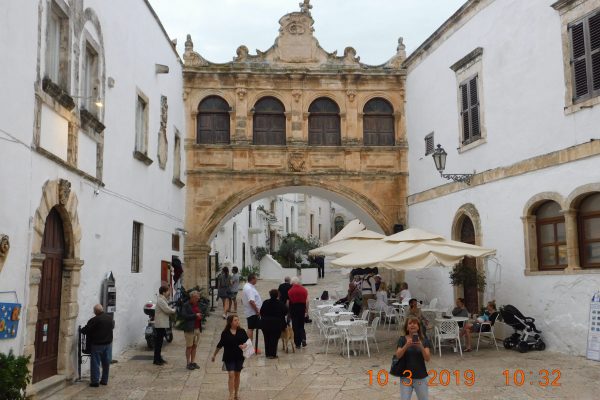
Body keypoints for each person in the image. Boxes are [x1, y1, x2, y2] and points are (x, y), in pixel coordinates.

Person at [211, 315, 249, 400]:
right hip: (229, 357)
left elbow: (247, 342)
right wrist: (214, 355)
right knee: (231, 374)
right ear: (230, 322)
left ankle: (236, 393)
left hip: (239, 357)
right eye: (235, 320)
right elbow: (220, 345)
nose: (237, 322)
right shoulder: (225, 333)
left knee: (237, 375)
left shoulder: (242, 331)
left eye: (238, 320)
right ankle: (231, 395)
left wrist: (244, 345)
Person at [395, 316, 432, 400]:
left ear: (418, 326)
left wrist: (420, 346)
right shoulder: (402, 339)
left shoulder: (424, 340)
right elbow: (398, 355)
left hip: (420, 377)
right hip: (405, 377)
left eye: (415, 323)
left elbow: (427, 358)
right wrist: (406, 345)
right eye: (410, 323)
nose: (412, 325)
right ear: (407, 327)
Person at [81, 304, 114, 387]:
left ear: (95, 311)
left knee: (95, 363)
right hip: (108, 344)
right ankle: (104, 380)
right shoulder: (110, 318)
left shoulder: (95, 320)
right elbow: (112, 327)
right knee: (106, 363)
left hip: (97, 345)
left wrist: (82, 330)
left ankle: (95, 381)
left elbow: (87, 330)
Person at [260, 289, 288, 358]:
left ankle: (267, 354)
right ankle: (272, 354)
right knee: (274, 339)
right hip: (276, 324)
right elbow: (285, 311)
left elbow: (261, 312)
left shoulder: (265, 302)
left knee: (266, 339)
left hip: (265, 323)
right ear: (278, 295)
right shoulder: (280, 303)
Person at [154, 285, 176, 365]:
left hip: (162, 324)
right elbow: (167, 310)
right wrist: (174, 310)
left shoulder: (163, 299)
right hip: (160, 324)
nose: (169, 293)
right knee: (158, 343)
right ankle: (156, 360)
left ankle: (159, 358)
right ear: (163, 292)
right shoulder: (160, 300)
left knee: (160, 342)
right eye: (168, 291)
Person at [181, 290, 202, 370]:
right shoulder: (186, 305)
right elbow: (184, 316)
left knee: (195, 346)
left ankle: (193, 362)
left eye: (198, 298)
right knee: (189, 346)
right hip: (189, 329)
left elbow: (199, 312)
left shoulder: (197, 304)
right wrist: (195, 315)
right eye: (196, 298)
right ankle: (188, 363)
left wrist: (200, 316)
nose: (198, 299)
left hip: (197, 328)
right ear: (192, 297)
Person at [287, 276, 308, 349]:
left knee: (295, 326)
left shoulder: (290, 291)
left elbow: (289, 302)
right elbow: (306, 300)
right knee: (301, 325)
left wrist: (288, 312)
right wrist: (306, 310)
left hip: (294, 309)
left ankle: (298, 343)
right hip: (302, 308)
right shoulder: (304, 290)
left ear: (292, 283)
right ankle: (303, 338)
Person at [241, 273, 262, 343]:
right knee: (250, 328)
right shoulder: (249, 288)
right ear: (252, 279)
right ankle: (249, 345)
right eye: (256, 278)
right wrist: (257, 311)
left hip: (250, 311)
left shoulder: (247, 286)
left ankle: (250, 345)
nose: (257, 280)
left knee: (251, 328)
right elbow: (251, 301)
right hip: (252, 312)